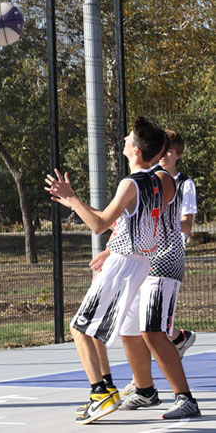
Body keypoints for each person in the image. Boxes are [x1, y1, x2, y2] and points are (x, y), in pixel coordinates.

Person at [45, 116, 193, 424]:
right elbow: (126, 221)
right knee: (110, 329)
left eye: (128, 138)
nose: (125, 140)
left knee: (79, 328)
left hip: (126, 263)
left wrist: (73, 200)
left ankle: (100, 392)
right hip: (141, 263)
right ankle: (119, 388)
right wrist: (77, 205)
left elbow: (100, 224)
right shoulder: (162, 181)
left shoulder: (131, 183)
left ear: (137, 151)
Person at [90, 129, 199, 417]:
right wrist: (113, 250)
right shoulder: (146, 179)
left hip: (162, 261)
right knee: (129, 330)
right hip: (142, 261)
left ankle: (184, 397)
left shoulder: (163, 180)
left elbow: (144, 224)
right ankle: (145, 390)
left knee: (152, 331)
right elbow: (133, 225)